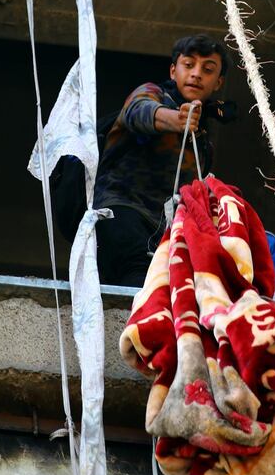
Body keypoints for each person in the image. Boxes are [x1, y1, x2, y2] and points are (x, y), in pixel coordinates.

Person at [94, 33, 234, 288]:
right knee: (139, 279)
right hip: (123, 211)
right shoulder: (154, 94)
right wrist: (176, 120)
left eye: (208, 69)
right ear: (173, 71)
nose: (196, 74)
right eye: (188, 65)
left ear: (218, 82)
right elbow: (138, 112)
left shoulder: (203, 141)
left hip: (165, 230)